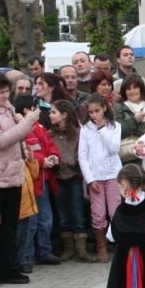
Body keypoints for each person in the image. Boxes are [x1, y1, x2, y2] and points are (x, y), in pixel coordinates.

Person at [0, 71, 41, 287]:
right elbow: (1, 141)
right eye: (1, 92)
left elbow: (16, 129)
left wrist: (22, 119)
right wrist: (26, 124)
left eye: (7, 91)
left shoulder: (8, 108)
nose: (6, 96)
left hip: (13, 174)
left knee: (11, 225)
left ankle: (8, 269)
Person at [12, 95, 62, 270]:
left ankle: (44, 251)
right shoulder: (21, 130)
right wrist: (42, 161)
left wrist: (54, 156)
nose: (39, 110)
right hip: (30, 182)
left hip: (44, 181)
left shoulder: (39, 127)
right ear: (27, 109)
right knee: (30, 223)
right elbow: (27, 153)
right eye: (36, 107)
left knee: (46, 220)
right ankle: (27, 256)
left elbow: (49, 145)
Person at [49, 99, 96, 263]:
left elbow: (82, 155)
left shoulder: (79, 133)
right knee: (62, 214)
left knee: (77, 213)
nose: (50, 115)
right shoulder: (50, 134)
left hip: (75, 178)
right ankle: (68, 249)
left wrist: (68, 162)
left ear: (64, 114)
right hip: (58, 177)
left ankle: (81, 249)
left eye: (53, 112)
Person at [78, 94, 123, 262]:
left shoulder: (115, 126)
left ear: (104, 108)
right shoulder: (85, 129)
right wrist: (90, 179)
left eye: (97, 110)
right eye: (91, 112)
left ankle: (120, 244)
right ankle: (101, 247)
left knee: (115, 211)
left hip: (113, 174)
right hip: (95, 177)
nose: (94, 115)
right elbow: (82, 156)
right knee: (98, 213)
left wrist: (102, 128)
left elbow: (114, 148)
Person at [114, 74, 145, 163]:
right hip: (129, 158)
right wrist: (135, 120)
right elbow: (117, 132)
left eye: (135, 88)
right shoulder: (118, 108)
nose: (132, 91)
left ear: (141, 89)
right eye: (128, 89)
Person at [16, 143, 40, 275]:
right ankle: (20, 260)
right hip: (20, 208)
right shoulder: (17, 164)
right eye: (24, 148)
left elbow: (35, 175)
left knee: (27, 235)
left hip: (28, 207)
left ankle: (24, 259)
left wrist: (31, 159)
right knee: (19, 237)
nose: (27, 149)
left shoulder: (25, 164)